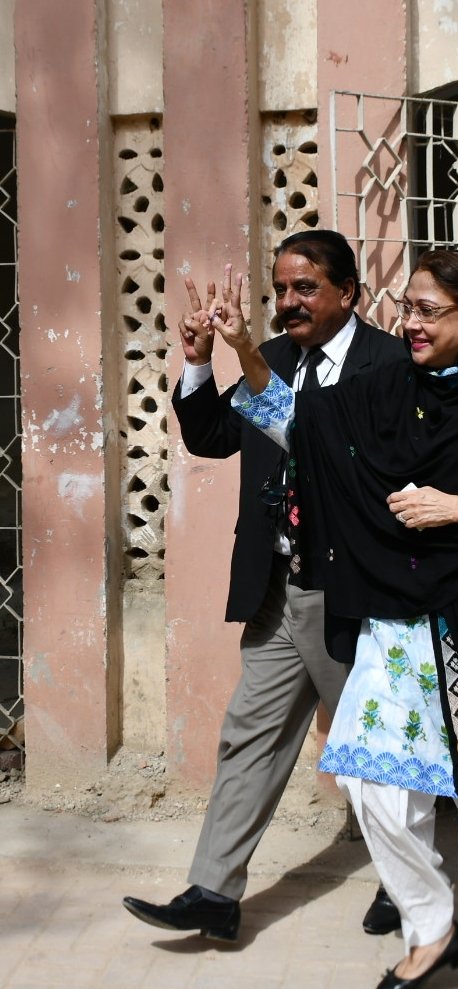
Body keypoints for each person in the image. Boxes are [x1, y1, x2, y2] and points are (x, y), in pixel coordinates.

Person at [222, 250, 458, 989]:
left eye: (432, 312)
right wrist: (243, 352)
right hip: (399, 624)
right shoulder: (385, 389)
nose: (411, 324)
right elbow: (303, 429)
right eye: (409, 307)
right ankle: (431, 923)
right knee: (369, 783)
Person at [122, 230, 406, 942]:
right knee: (248, 736)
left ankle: (411, 887)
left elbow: (312, 438)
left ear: (350, 293)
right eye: (280, 289)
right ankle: (213, 891)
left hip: (352, 594)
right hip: (277, 587)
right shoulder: (274, 357)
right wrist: (195, 362)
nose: (288, 303)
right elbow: (214, 436)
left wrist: (244, 355)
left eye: (305, 287)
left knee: (377, 751)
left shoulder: (387, 364)